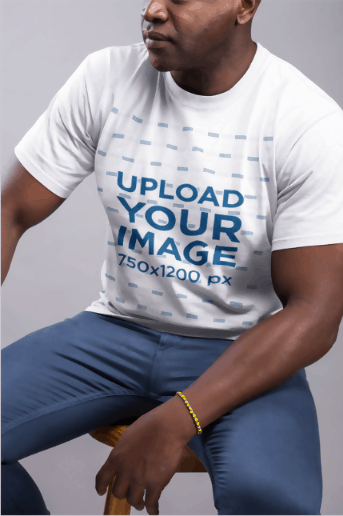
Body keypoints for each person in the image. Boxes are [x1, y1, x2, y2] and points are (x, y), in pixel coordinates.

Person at [2, 0, 343, 514]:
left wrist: (178, 416)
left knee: (272, 500)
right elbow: (11, 211)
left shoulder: (306, 121)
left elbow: (315, 313)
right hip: (115, 331)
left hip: (238, 347)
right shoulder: (106, 78)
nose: (152, 10)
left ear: (245, 6)